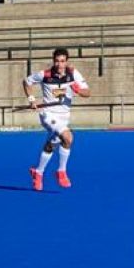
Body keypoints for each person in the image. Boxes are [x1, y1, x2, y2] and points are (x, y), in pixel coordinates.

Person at [23, 47, 90, 190]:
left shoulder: (73, 74)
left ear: (67, 62)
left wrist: (78, 90)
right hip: (48, 114)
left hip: (64, 115)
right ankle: (61, 172)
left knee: (52, 144)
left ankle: (38, 172)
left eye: (62, 61)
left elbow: (87, 92)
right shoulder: (44, 75)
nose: (60, 65)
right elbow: (27, 82)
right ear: (53, 61)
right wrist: (32, 100)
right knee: (68, 137)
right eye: (57, 61)